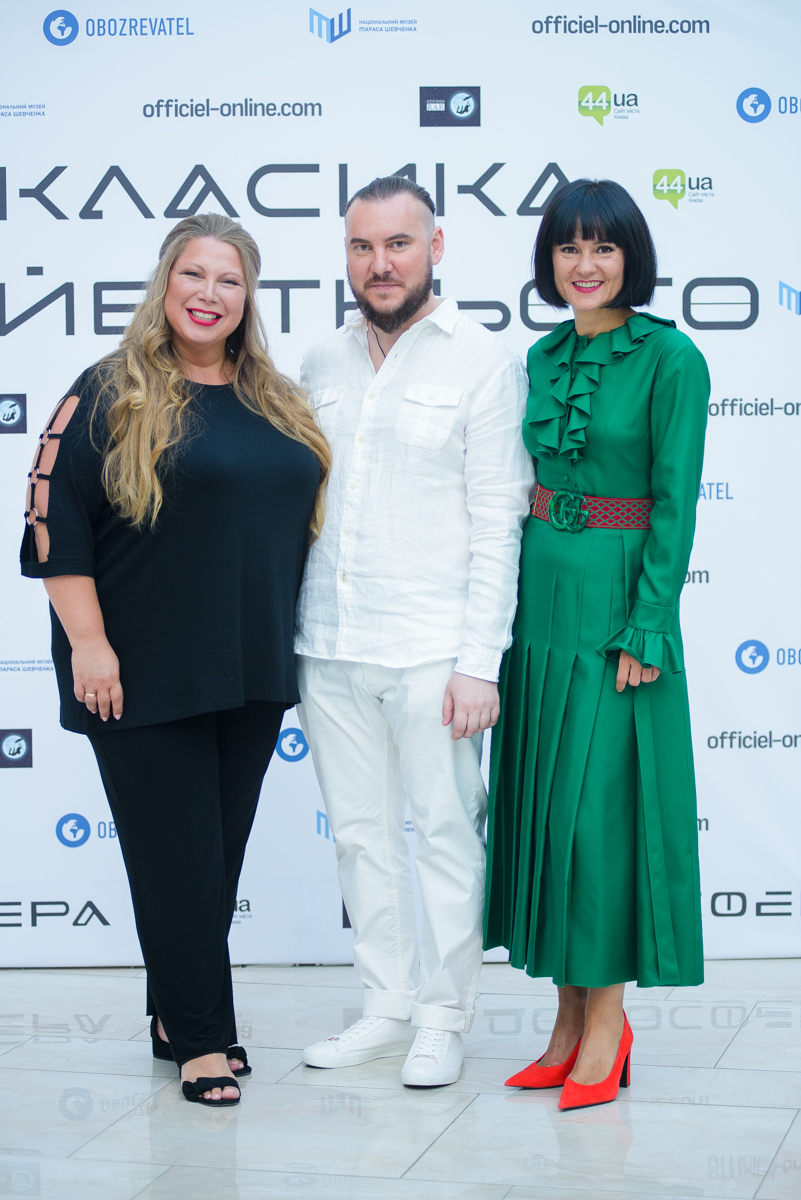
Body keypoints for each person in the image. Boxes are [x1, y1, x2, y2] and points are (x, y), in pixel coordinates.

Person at [20, 213, 329, 1107]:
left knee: (212, 860)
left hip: (252, 665)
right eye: (193, 274)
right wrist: (89, 645)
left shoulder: (275, 398)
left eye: (228, 280)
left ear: (248, 298)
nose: (208, 294)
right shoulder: (107, 390)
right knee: (178, 861)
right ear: (165, 283)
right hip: (142, 670)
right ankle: (200, 1040)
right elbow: (52, 521)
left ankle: (172, 1014)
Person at [295, 174, 534, 1087]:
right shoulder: (320, 361)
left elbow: (498, 523)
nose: (379, 263)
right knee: (360, 835)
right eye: (361, 246)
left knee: (444, 833)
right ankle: (387, 1005)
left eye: (398, 244)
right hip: (329, 639)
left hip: (435, 647)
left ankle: (443, 1015)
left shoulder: (481, 361)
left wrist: (479, 663)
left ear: (434, 249)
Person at [484, 179, 709, 1110]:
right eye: (567, 248)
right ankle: (566, 1023)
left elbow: (675, 502)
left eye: (602, 247)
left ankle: (607, 1029)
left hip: (618, 603)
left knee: (600, 823)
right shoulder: (538, 358)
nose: (584, 265)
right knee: (549, 816)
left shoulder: (671, 358)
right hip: (539, 601)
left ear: (630, 258)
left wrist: (648, 622)